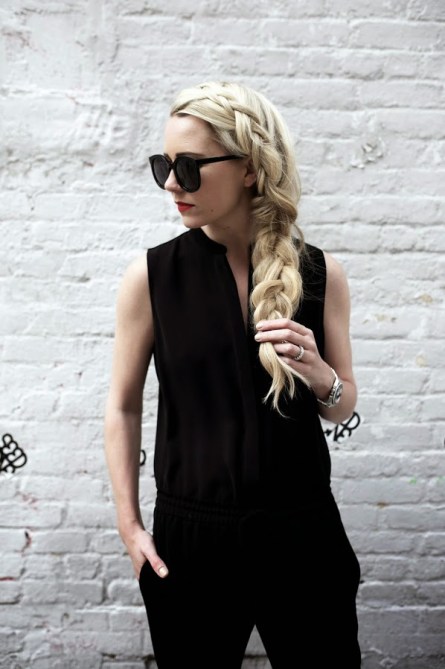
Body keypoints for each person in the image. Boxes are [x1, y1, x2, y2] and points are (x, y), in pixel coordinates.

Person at [104, 80, 361, 668]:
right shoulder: (151, 277)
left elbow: (342, 406)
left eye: (189, 167)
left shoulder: (322, 274)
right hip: (191, 538)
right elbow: (122, 405)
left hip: (304, 534)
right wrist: (130, 526)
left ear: (249, 169)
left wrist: (319, 372)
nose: (172, 184)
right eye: (164, 165)